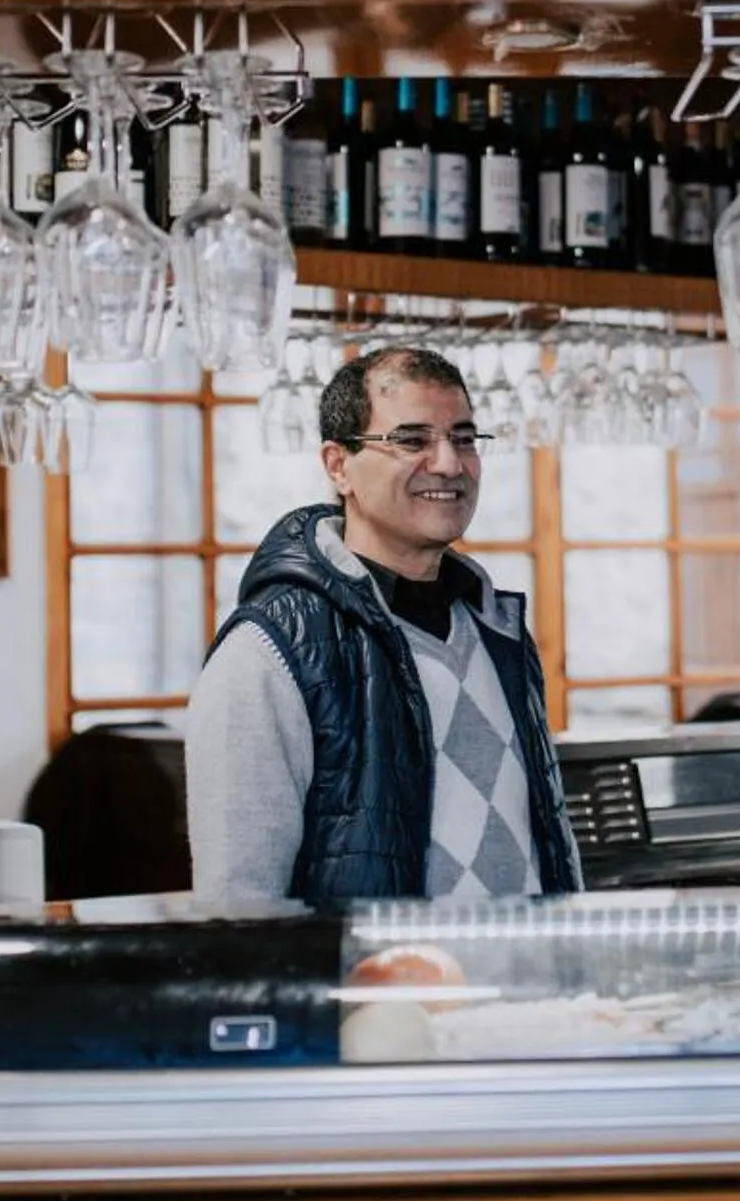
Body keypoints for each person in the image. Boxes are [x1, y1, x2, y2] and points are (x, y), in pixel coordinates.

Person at [183, 346, 581, 906]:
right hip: (380, 993)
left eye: (464, 438)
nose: (448, 463)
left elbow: (548, 843)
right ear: (338, 465)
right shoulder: (267, 652)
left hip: (525, 989)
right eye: (411, 440)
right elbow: (240, 909)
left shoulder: (497, 627)